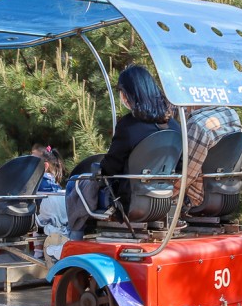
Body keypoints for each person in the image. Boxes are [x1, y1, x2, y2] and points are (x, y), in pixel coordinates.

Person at [67, 64, 177, 235]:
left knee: (74, 182)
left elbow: (110, 168)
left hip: (127, 202)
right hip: (163, 202)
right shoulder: (174, 127)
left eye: (122, 92)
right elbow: (180, 164)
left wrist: (99, 168)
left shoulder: (128, 126)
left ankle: (73, 240)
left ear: (129, 95)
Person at [176, 106, 242, 210]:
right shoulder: (231, 114)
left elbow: (187, 173)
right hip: (228, 193)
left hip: (196, 198)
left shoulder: (198, 124)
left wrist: (164, 195)